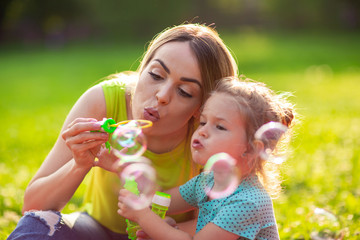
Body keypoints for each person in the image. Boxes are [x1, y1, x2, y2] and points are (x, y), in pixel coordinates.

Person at [7, 23, 238, 240]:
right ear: (142, 69)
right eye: (156, 75)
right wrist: (79, 164)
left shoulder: (209, 133)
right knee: (38, 225)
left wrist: (161, 229)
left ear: (202, 108)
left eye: (185, 91)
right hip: (97, 229)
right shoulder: (104, 101)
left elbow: (218, 225)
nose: (161, 96)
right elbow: (33, 206)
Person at [118, 76, 296, 240]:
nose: (202, 131)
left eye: (219, 126)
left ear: (251, 149)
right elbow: (159, 201)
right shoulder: (206, 182)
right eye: (203, 122)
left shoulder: (248, 202)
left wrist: (144, 216)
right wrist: (120, 170)